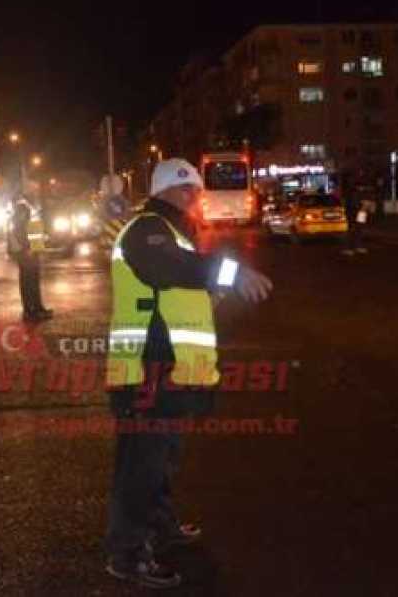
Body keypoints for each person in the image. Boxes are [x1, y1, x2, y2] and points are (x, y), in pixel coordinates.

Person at [104, 158, 273, 589]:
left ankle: (160, 529)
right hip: (145, 372)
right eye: (191, 191)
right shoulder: (146, 230)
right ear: (169, 192)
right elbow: (170, 269)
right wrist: (233, 274)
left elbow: (178, 290)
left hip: (171, 374)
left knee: (162, 459)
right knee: (141, 465)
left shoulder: (174, 235)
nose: (197, 198)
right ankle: (127, 554)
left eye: (197, 191)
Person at [8, 194, 52, 322]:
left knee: (33, 280)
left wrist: (40, 242)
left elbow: (34, 229)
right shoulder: (22, 209)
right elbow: (19, 230)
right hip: (26, 252)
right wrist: (27, 248)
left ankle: (38, 308)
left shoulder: (30, 209)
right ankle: (29, 311)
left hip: (32, 250)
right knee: (28, 281)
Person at [343, 185, 368, 255]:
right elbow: (354, 204)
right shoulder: (354, 193)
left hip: (359, 213)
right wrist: (362, 206)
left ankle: (357, 246)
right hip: (355, 213)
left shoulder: (359, 193)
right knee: (353, 230)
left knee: (358, 230)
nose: (362, 187)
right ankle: (348, 248)